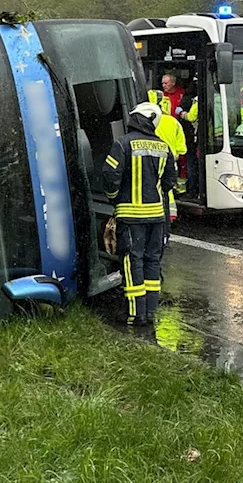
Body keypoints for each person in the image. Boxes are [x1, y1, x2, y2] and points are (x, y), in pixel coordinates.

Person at [102, 102, 178, 327]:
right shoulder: (164, 147)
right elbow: (169, 182)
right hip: (156, 217)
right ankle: (150, 311)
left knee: (131, 261)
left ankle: (135, 314)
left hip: (130, 216)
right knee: (152, 261)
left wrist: (113, 197)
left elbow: (109, 175)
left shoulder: (122, 144)